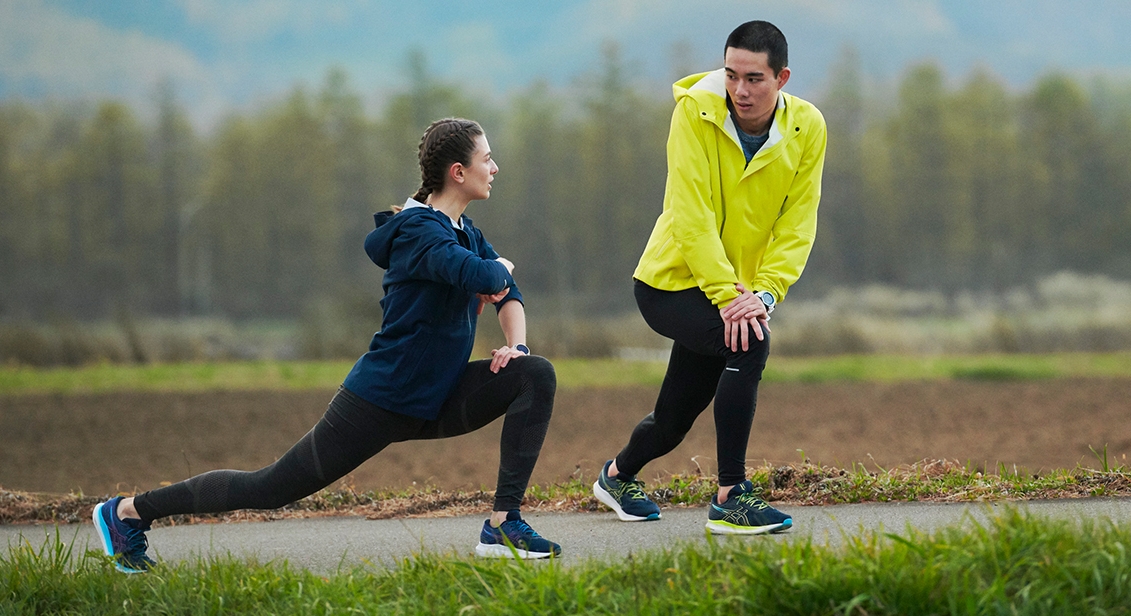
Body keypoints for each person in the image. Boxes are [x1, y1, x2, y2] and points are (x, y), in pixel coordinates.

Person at [93, 118, 563, 573]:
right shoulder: (419, 231)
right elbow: (486, 275)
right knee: (270, 488)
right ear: (458, 172)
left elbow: (507, 293)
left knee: (533, 373)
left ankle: (503, 525)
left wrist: (515, 346)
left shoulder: (466, 233)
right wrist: (497, 268)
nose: (495, 167)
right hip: (384, 396)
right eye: (488, 158)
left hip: (437, 394)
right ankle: (129, 512)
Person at [592, 20, 827, 535]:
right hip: (670, 284)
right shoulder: (693, 115)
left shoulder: (808, 127)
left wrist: (764, 293)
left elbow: (797, 222)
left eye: (754, 79)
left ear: (781, 78)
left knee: (674, 420)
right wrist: (729, 300)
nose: (739, 90)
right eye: (731, 75)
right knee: (748, 344)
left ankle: (616, 476)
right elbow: (690, 215)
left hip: (737, 292)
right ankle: (730, 497)